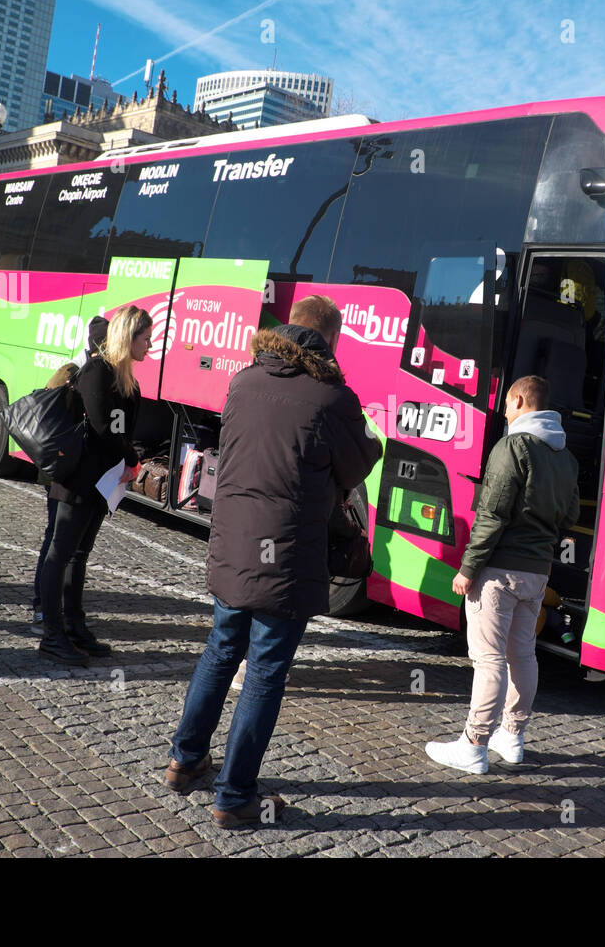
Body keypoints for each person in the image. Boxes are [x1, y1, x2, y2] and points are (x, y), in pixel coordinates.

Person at [166, 295, 382, 828]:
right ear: (329, 341)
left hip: (234, 545)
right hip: (286, 555)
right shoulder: (332, 398)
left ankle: (184, 760)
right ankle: (236, 796)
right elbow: (356, 464)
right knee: (263, 673)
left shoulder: (242, 380)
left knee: (219, 652)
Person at [426, 375, 580, 774]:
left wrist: (468, 568)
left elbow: (491, 515)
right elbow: (572, 515)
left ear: (518, 400)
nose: (505, 412)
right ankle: (511, 737)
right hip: (537, 573)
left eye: (508, 404)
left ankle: (474, 745)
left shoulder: (512, 446)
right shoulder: (565, 456)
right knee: (522, 655)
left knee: (489, 658)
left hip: (498, 571)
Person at [37, 306, 150, 666]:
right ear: (127, 337)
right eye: (145, 338)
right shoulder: (97, 372)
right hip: (78, 480)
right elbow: (104, 428)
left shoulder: (124, 377)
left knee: (79, 555)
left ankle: (75, 625)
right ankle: (52, 634)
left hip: (102, 483)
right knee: (60, 553)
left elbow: (121, 429)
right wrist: (132, 458)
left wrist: (128, 456)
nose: (150, 345)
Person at [29, 316, 108, 630]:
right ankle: (41, 609)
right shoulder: (72, 373)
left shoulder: (87, 370)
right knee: (55, 541)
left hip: (68, 469)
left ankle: (53, 607)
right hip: (62, 470)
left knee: (62, 543)